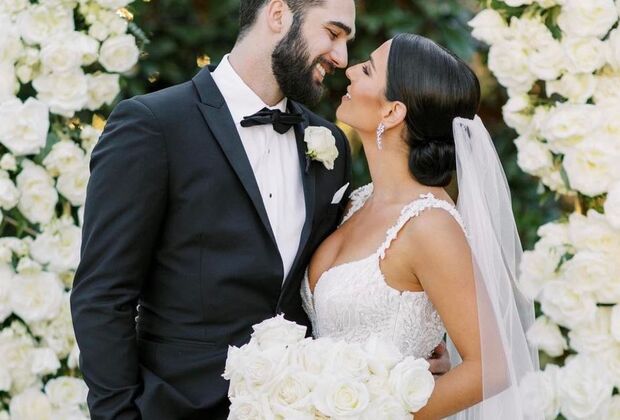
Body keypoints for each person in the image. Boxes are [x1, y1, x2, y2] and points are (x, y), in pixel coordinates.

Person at [70, 2, 450, 419]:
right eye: (332, 33)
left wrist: (402, 361)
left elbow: (338, 283)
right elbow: (102, 296)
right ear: (278, 14)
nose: (342, 58)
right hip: (177, 407)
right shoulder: (153, 126)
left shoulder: (331, 144)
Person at [302, 34, 540, 419]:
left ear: (392, 112)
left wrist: (378, 414)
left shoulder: (430, 225)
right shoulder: (356, 201)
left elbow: (491, 369)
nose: (350, 70)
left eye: (367, 70)